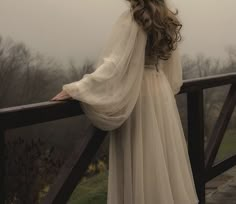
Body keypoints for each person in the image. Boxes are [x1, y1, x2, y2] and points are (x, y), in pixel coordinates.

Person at [51, 0, 199, 203]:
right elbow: (172, 73)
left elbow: (115, 65)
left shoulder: (134, 18)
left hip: (139, 97)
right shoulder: (166, 18)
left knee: (142, 160)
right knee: (159, 160)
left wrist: (79, 88)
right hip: (161, 92)